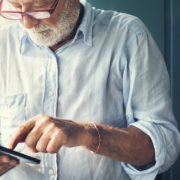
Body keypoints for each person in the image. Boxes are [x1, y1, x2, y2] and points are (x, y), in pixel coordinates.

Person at [0, 0, 179, 179]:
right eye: (16, 7)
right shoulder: (3, 44)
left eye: (39, 7)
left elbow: (163, 147)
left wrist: (86, 134)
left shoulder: (129, 35)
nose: (26, 23)